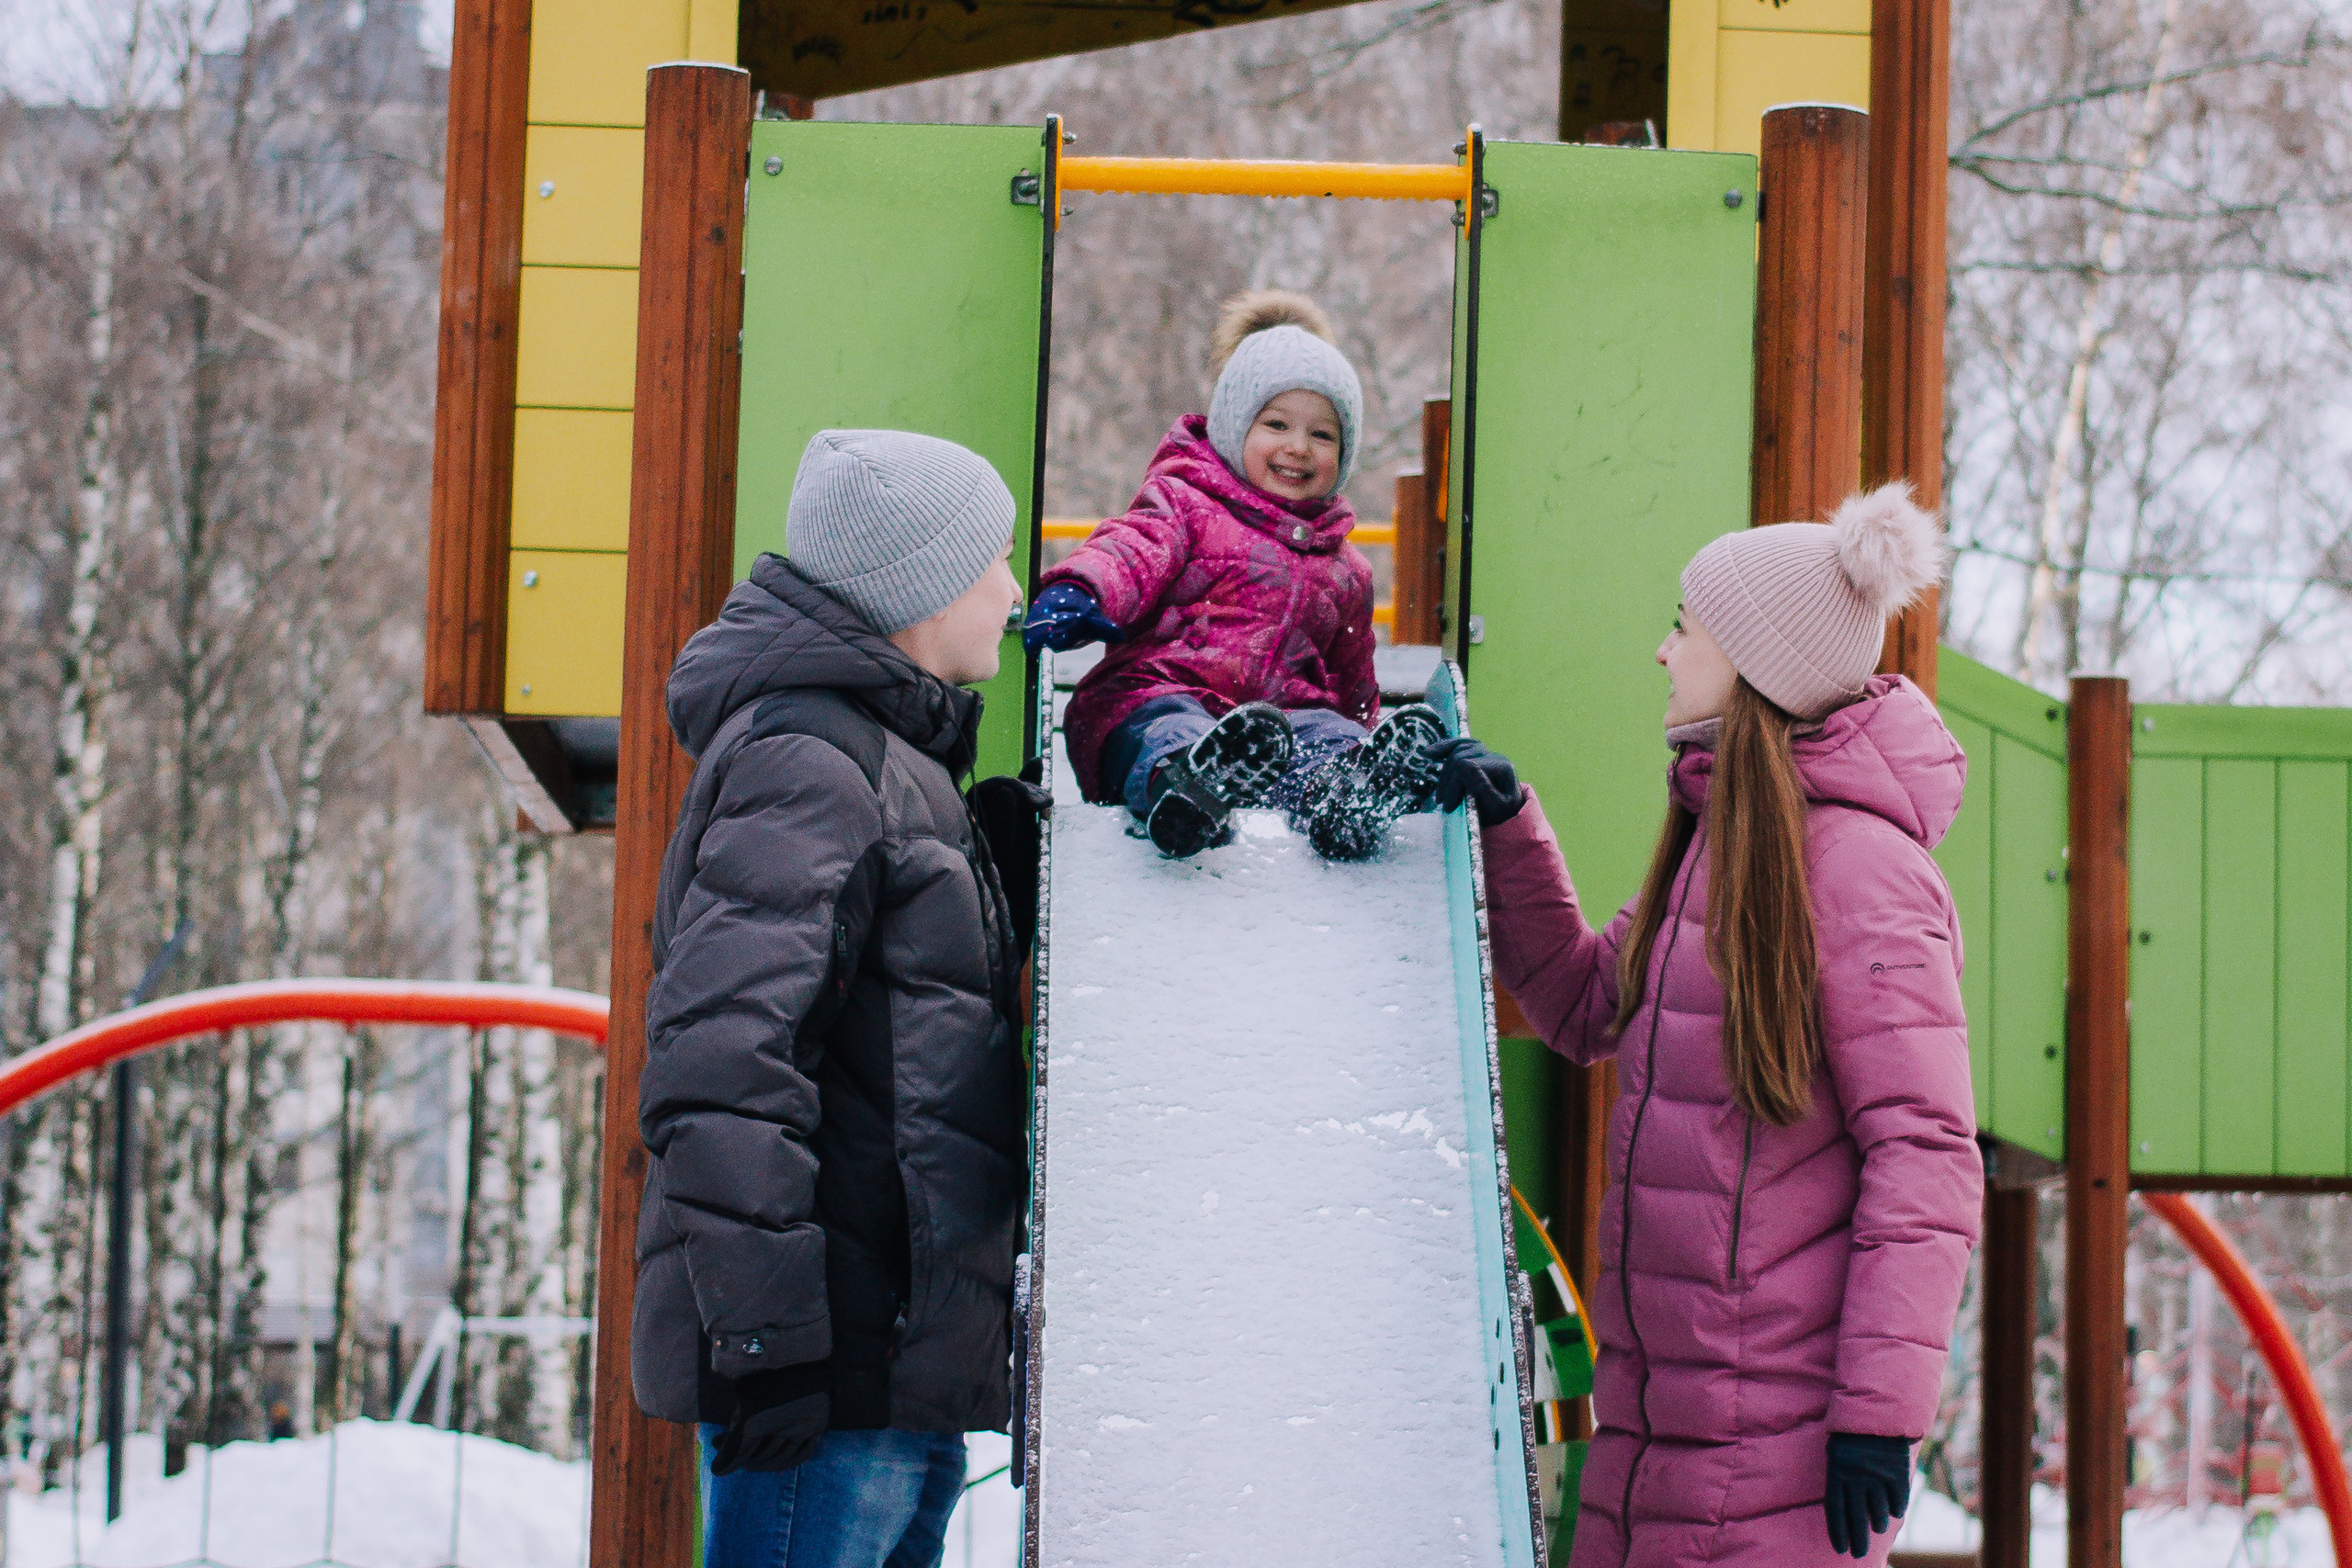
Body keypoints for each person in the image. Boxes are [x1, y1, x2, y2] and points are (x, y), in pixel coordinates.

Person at [1433, 486, 1983, 1567]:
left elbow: (1923, 1150)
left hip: (1780, 1456)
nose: (1662, 651)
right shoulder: (1716, 843)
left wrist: (1879, 1413)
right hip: (1652, 1434)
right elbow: (1583, 1002)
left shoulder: (1864, 874)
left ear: (1753, 662)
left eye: (1685, 627)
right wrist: (1504, 825)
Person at [631, 429, 1041, 1568]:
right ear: (920, 584)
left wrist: (992, 882)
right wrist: (770, 1341)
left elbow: (902, 1041)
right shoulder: (811, 761)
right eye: (996, 559)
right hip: (825, 1363)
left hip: (889, 1361)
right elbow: (725, 1065)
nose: (1014, 591)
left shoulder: (887, 760)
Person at [1023, 288, 1445, 862]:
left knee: (1327, 737)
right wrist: (1081, 589)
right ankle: (1186, 792)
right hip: (1159, 694)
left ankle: (1349, 797)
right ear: (1233, 426)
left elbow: (1352, 682)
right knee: (1170, 727)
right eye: (1277, 424)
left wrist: (1360, 741)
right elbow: (1130, 551)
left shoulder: (1345, 569)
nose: (1299, 448)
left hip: (1277, 735)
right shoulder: (1184, 505)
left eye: (1322, 435)